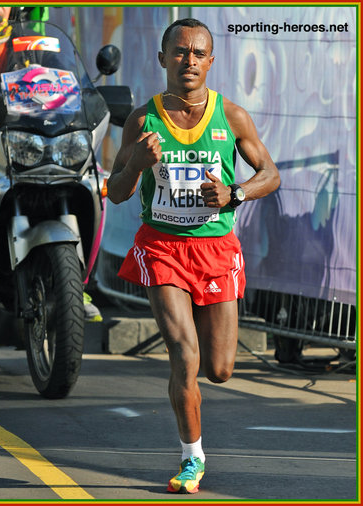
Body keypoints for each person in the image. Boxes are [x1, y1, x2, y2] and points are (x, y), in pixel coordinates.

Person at [107, 17, 280, 493]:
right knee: (184, 355)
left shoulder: (233, 117)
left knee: (220, 369)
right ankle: (192, 458)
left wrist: (236, 194)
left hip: (216, 249)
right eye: (179, 52)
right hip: (162, 247)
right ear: (162, 59)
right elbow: (116, 191)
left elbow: (270, 173)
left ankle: (197, 418)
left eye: (198, 53)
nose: (189, 61)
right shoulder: (142, 120)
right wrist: (137, 163)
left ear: (210, 62)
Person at [0, 6, 103, 323]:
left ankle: (77, 287)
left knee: (90, 180)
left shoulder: (36, 46)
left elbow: (69, 89)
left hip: (26, 145)